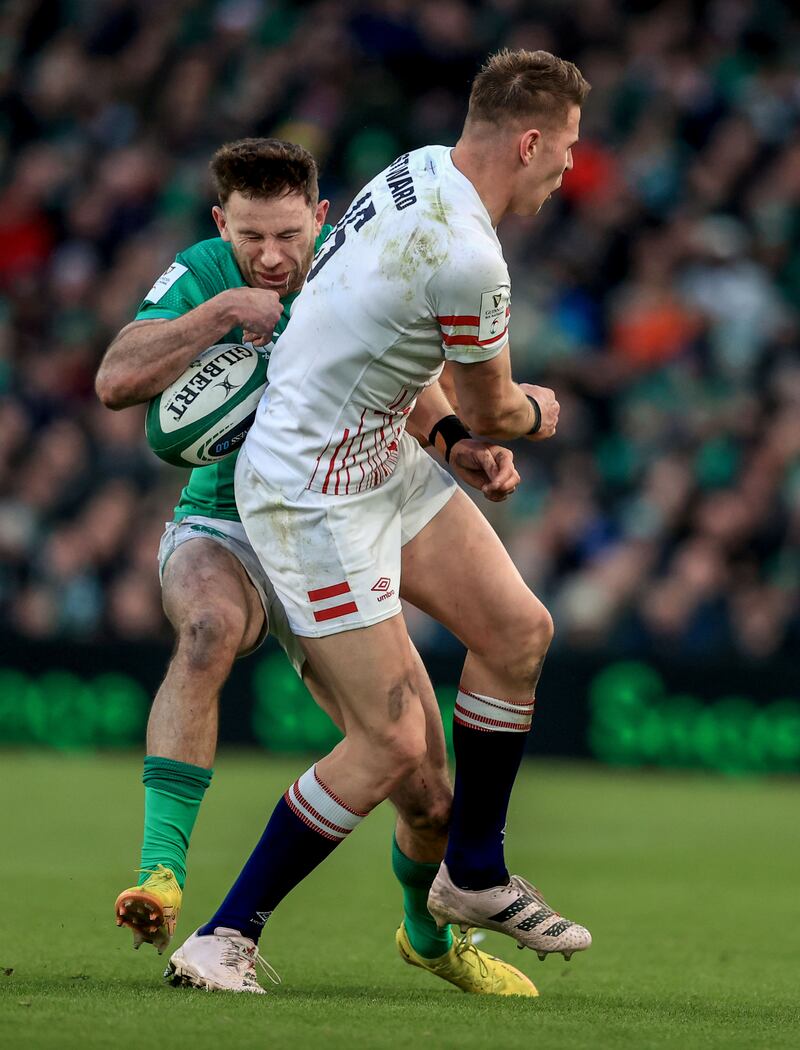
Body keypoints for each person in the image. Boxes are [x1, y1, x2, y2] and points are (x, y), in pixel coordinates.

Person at [167, 49, 593, 993]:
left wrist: (448, 441)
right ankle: (222, 935)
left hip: (381, 451)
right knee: (395, 745)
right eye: (564, 149)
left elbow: (370, 343)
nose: (569, 167)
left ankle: (473, 874)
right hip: (311, 492)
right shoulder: (471, 255)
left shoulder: (417, 167)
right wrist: (531, 414)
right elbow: (497, 405)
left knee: (519, 631)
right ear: (527, 141)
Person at [96, 137, 537, 997]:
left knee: (427, 788)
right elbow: (116, 380)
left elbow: (403, 379)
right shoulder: (202, 275)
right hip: (224, 523)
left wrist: (455, 445)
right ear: (222, 223)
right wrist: (220, 313)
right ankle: (160, 876)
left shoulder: (346, 265)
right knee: (209, 630)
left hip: (344, 511)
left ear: (321, 220)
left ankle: (427, 935)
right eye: (250, 236)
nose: (269, 256)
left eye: (287, 236)